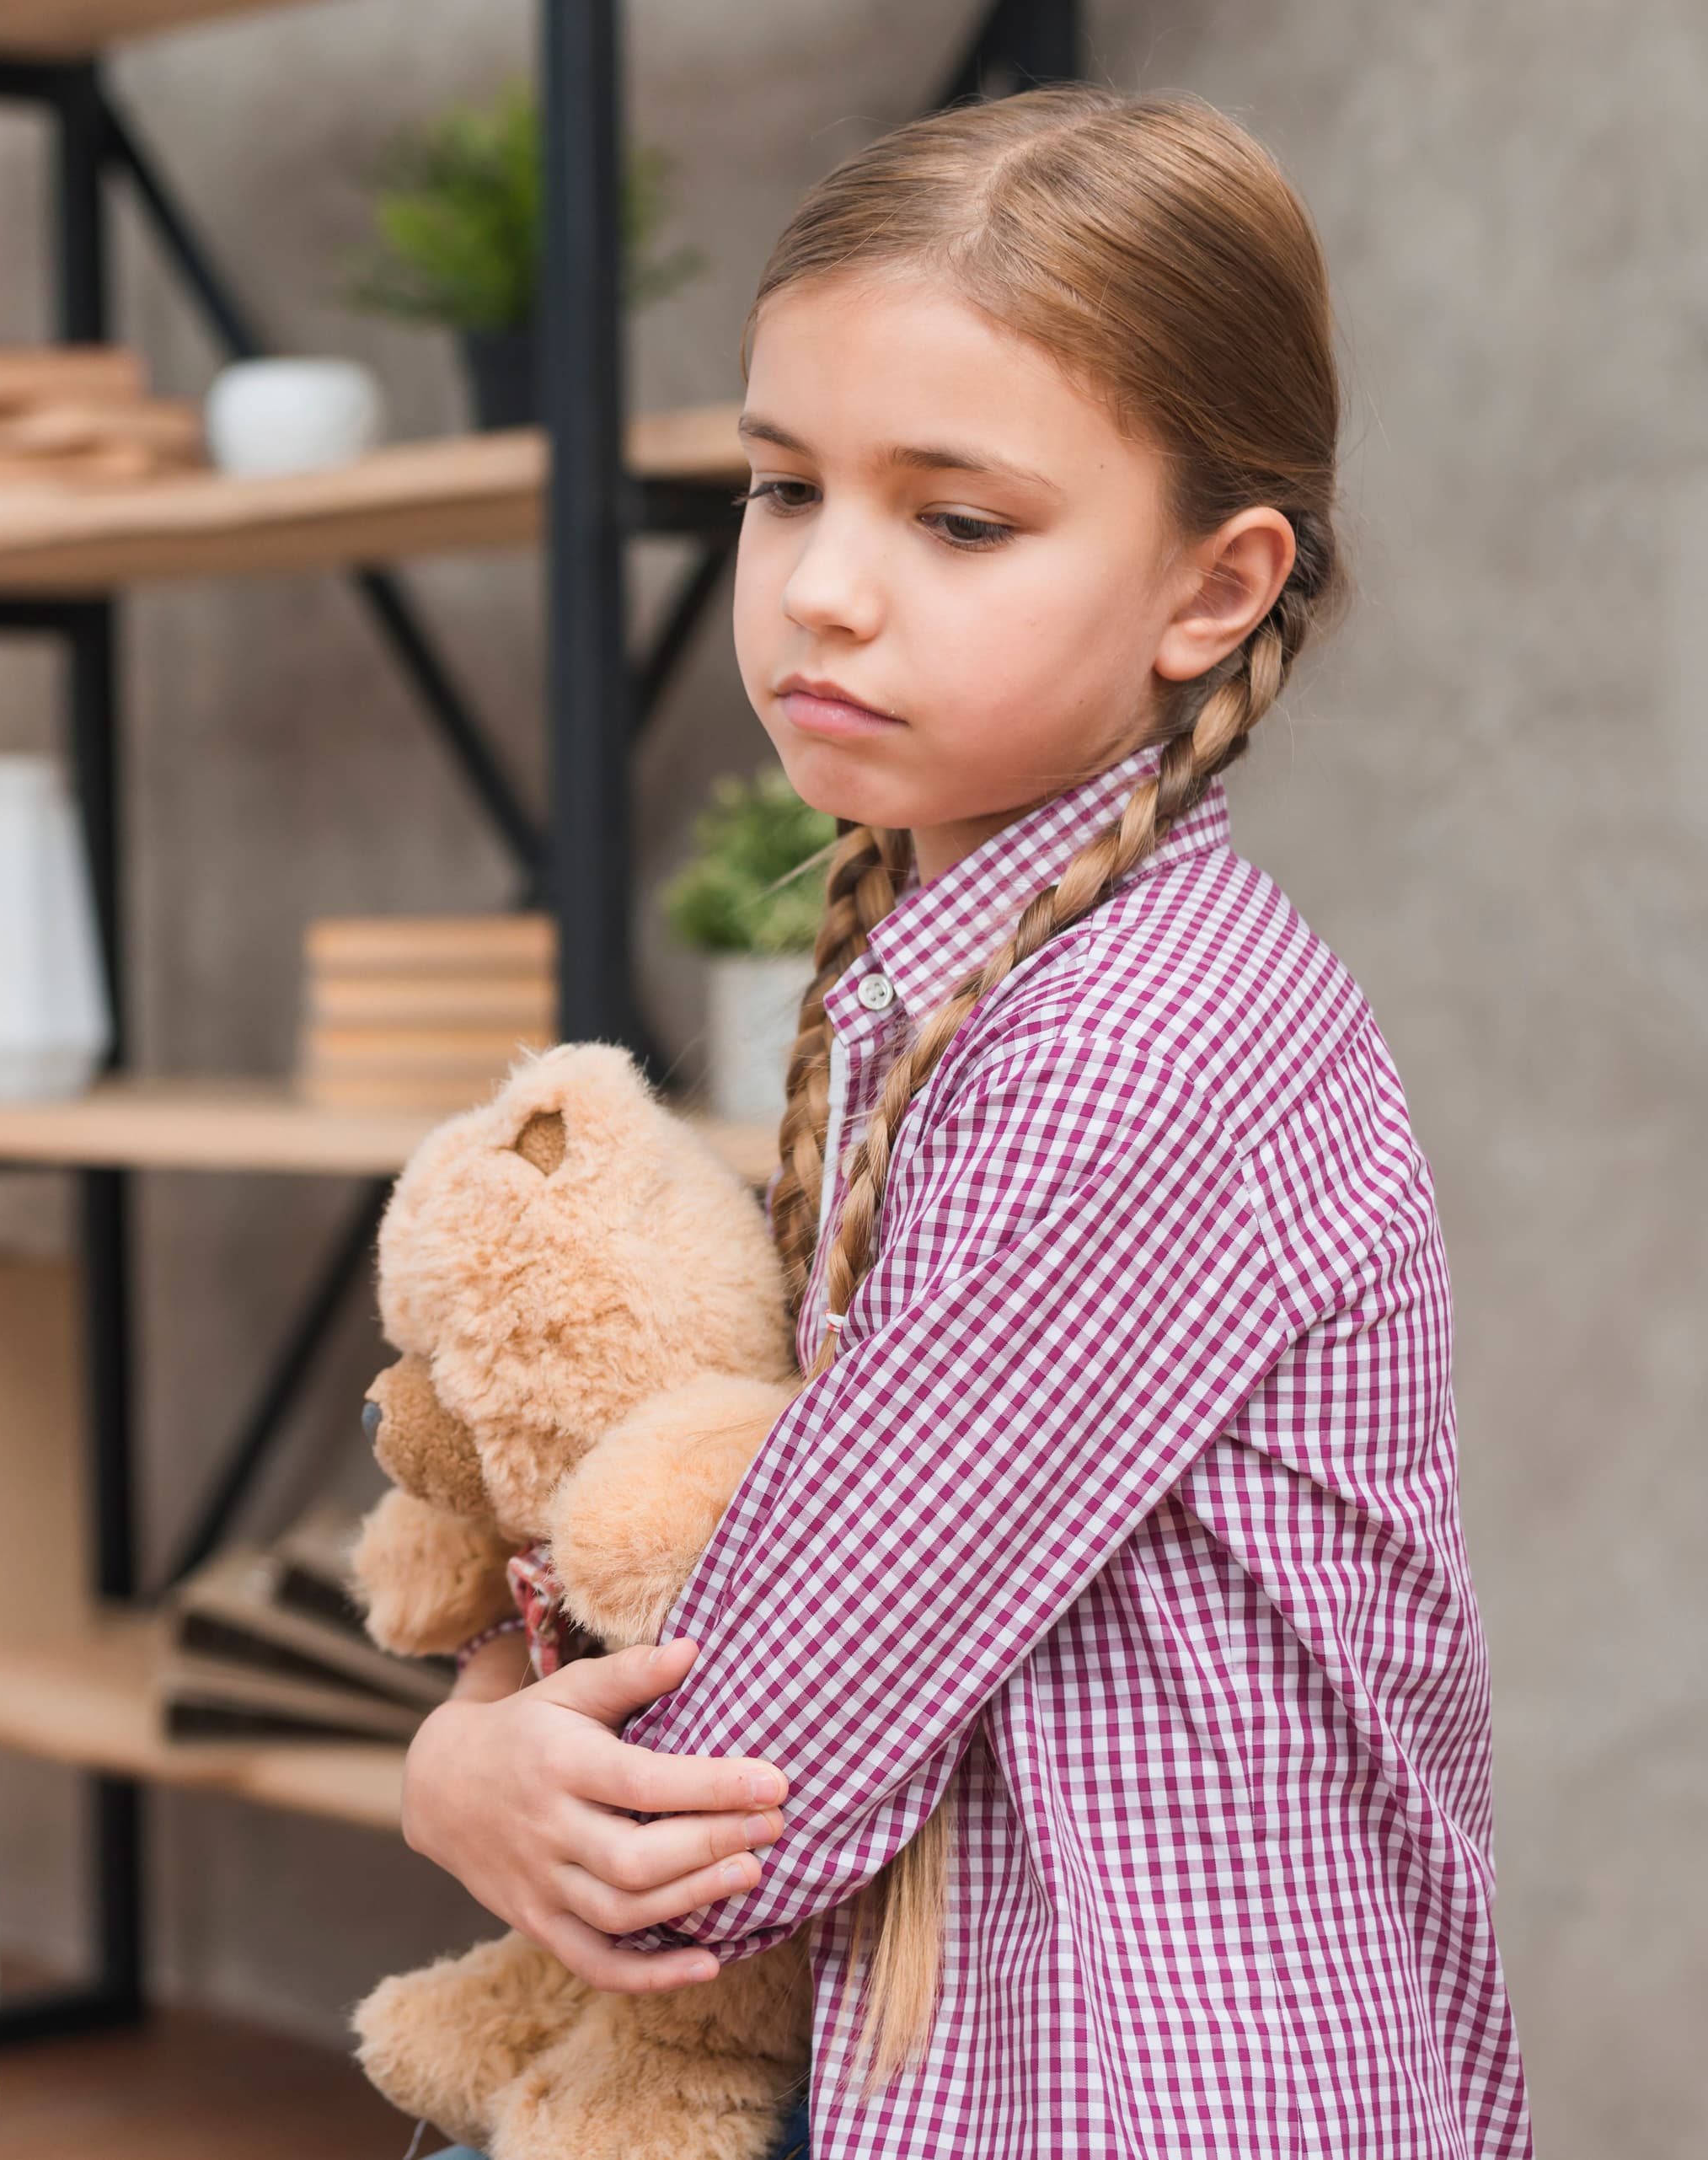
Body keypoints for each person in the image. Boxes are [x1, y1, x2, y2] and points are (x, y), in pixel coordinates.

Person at [394, 89, 1530, 2157]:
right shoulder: (966, 968)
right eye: (779, 487)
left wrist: (465, 1757)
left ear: (1215, 588)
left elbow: (740, 1794)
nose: (825, 588)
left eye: (959, 520)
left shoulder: (1127, 1047)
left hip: (1155, 2094)